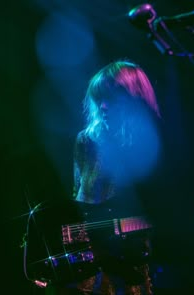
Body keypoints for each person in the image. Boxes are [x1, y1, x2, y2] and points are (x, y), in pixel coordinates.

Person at [44, 59, 162, 295]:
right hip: (94, 252)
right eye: (99, 100)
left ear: (135, 96)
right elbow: (81, 193)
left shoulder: (156, 138)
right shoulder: (87, 139)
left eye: (111, 98)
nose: (104, 107)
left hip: (135, 250)